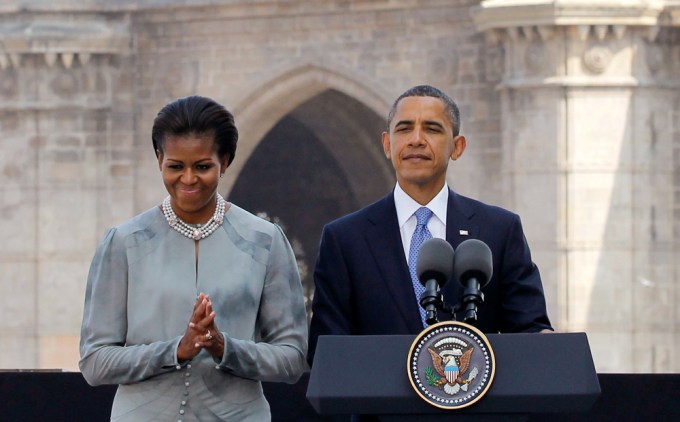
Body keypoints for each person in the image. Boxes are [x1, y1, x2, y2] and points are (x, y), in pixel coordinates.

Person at [79, 95, 308, 421]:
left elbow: (292, 359)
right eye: (175, 166)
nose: (188, 179)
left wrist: (225, 348)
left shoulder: (264, 240)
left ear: (225, 162)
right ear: (159, 159)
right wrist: (175, 351)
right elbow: (95, 362)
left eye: (202, 166)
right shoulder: (124, 242)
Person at [309, 84, 552, 364]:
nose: (416, 140)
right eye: (404, 129)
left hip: (477, 403)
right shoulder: (344, 238)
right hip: (381, 405)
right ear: (388, 145)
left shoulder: (499, 230)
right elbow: (327, 350)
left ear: (457, 147)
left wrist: (548, 343)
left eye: (432, 129)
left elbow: (528, 331)